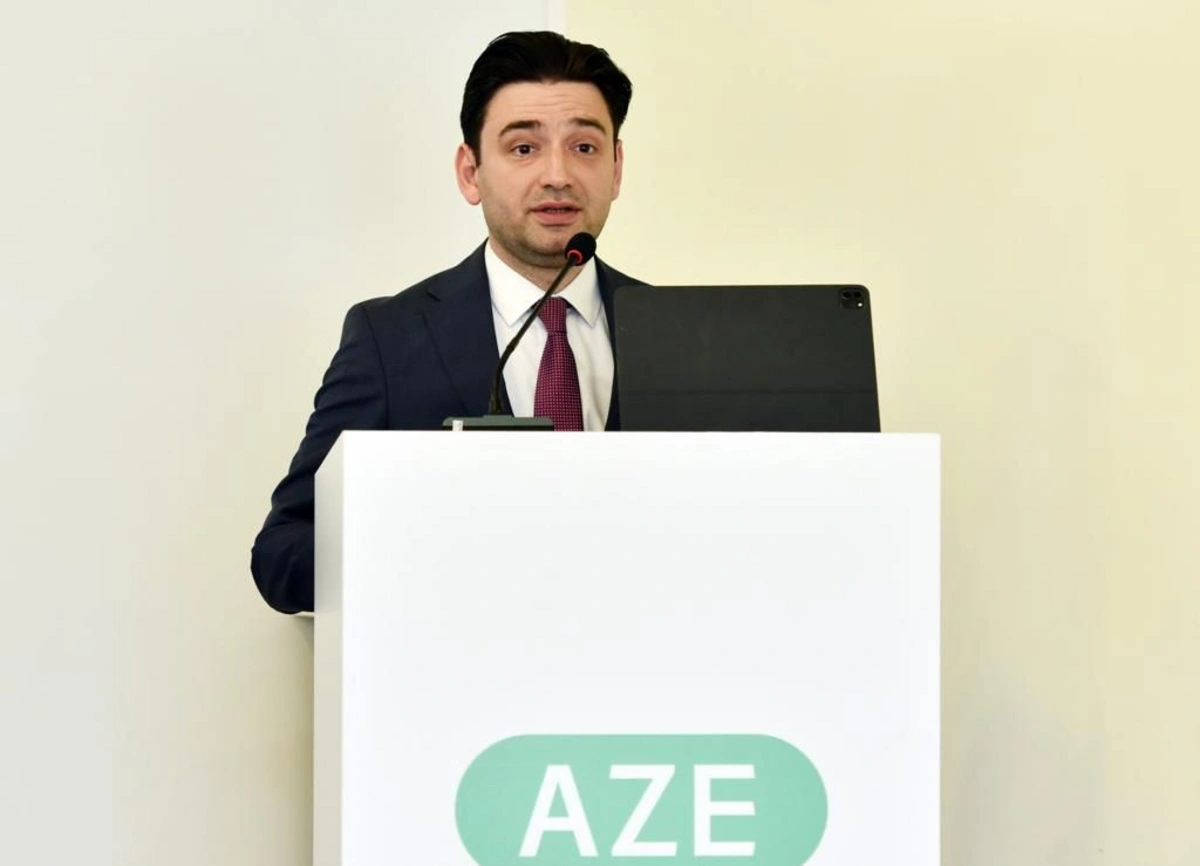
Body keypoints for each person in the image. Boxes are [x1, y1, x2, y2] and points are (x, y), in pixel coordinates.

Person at [251, 31, 643, 613]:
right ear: (470, 172)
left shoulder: (682, 335)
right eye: (524, 148)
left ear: (616, 168)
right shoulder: (390, 339)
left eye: (584, 147)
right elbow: (282, 554)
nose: (557, 175)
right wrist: (425, 547)